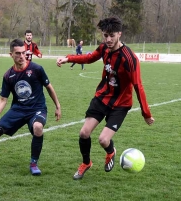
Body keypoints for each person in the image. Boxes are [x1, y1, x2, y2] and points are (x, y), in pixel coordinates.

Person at [56, 17, 154, 180]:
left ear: (119, 34)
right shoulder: (104, 48)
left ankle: (110, 151)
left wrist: (146, 113)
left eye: (112, 36)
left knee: (103, 140)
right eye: (105, 35)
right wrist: (68, 58)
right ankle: (86, 163)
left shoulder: (129, 58)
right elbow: (89, 58)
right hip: (102, 98)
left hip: (120, 104)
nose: (108, 39)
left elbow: (138, 85)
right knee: (84, 133)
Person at [0, 38, 61, 176]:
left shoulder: (37, 69)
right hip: (18, 109)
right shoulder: (8, 75)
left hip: (37, 108)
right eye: (17, 53)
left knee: (38, 128)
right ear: (11, 54)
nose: (22, 56)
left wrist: (57, 106)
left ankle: (34, 163)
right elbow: (3, 100)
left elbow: (49, 87)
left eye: (23, 53)